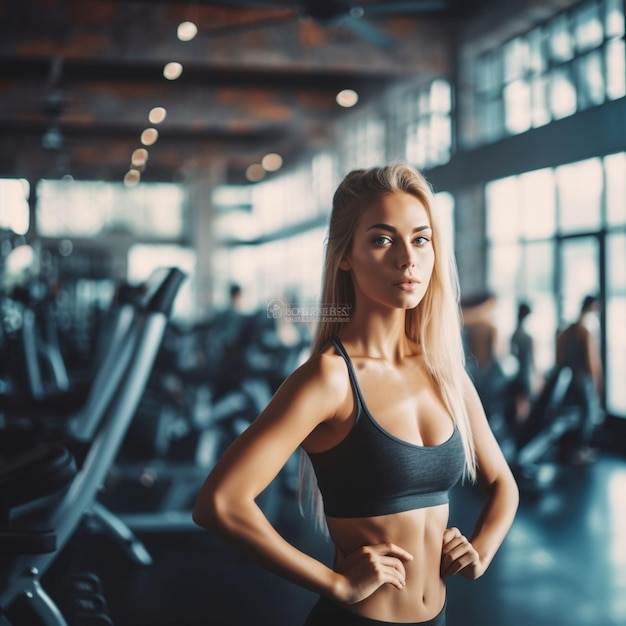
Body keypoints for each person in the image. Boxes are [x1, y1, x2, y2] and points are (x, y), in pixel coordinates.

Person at [193, 163, 519, 625]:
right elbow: (219, 503)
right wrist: (337, 585)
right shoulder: (329, 378)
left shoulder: (446, 374)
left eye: (421, 239)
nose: (407, 259)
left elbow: (504, 484)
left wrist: (481, 550)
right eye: (382, 240)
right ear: (345, 255)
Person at [556, 294, 604, 465]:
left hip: (570, 378)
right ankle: (579, 449)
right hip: (583, 378)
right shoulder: (585, 331)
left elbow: (560, 355)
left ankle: (573, 448)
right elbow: (592, 361)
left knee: (577, 414)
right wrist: (598, 380)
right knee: (589, 413)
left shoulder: (569, 330)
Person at [509, 302, 535, 425]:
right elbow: (532, 361)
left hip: (516, 374)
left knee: (518, 404)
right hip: (525, 374)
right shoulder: (528, 337)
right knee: (524, 406)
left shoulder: (514, 335)